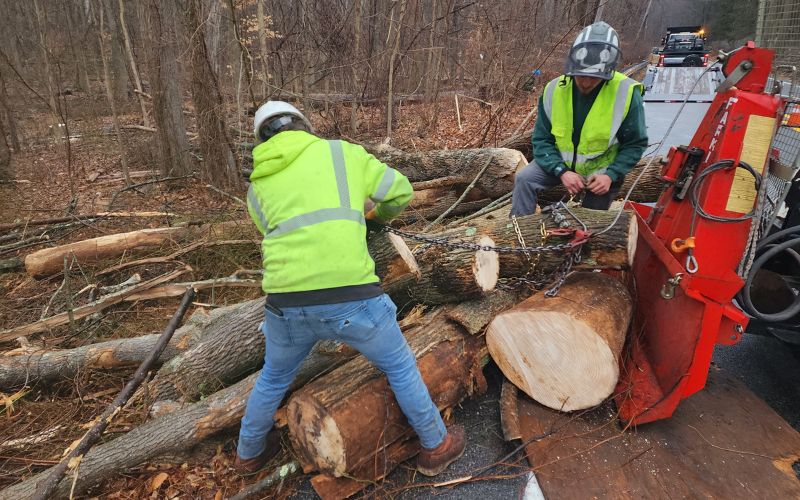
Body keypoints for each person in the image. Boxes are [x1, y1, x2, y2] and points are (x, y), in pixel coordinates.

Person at [235, 101, 466, 477]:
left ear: (262, 140)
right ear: (304, 126)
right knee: (399, 366)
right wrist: (374, 219)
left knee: (273, 377)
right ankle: (435, 445)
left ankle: (247, 456)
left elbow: (271, 232)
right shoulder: (342, 153)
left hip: (285, 306)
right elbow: (400, 192)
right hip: (353, 299)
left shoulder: (256, 186)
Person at [511, 22, 648, 216]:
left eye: (593, 78)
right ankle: (519, 234)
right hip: (559, 163)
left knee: (586, 224)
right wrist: (562, 171)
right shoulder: (553, 90)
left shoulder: (626, 93)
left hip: (601, 173)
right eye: (579, 75)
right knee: (524, 178)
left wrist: (611, 175)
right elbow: (542, 140)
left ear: (607, 73)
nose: (584, 82)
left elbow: (635, 144)